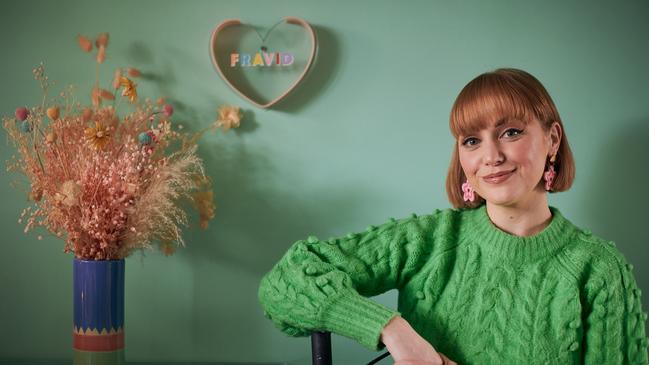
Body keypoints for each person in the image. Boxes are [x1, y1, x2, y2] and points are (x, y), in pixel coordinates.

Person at [258, 68, 649, 365]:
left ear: (552, 139)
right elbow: (284, 283)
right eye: (472, 141)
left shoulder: (600, 271)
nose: (491, 156)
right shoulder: (427, 241)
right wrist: (392, 330)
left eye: (511, 132)